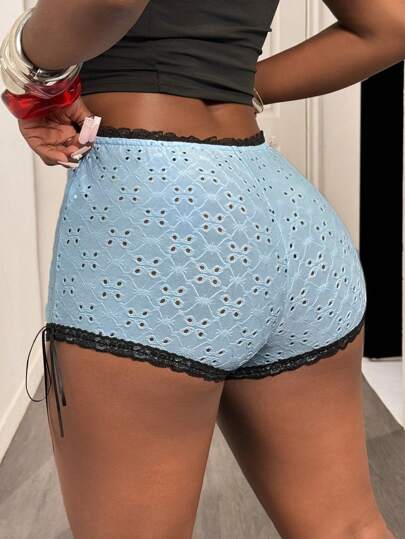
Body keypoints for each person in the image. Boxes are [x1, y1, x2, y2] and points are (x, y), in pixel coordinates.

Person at [1, 1, 403, 537]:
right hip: (289, 212)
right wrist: (235, 85)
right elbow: (389, 27)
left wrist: (27, 74)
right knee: (349, 525)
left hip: (157, 215)